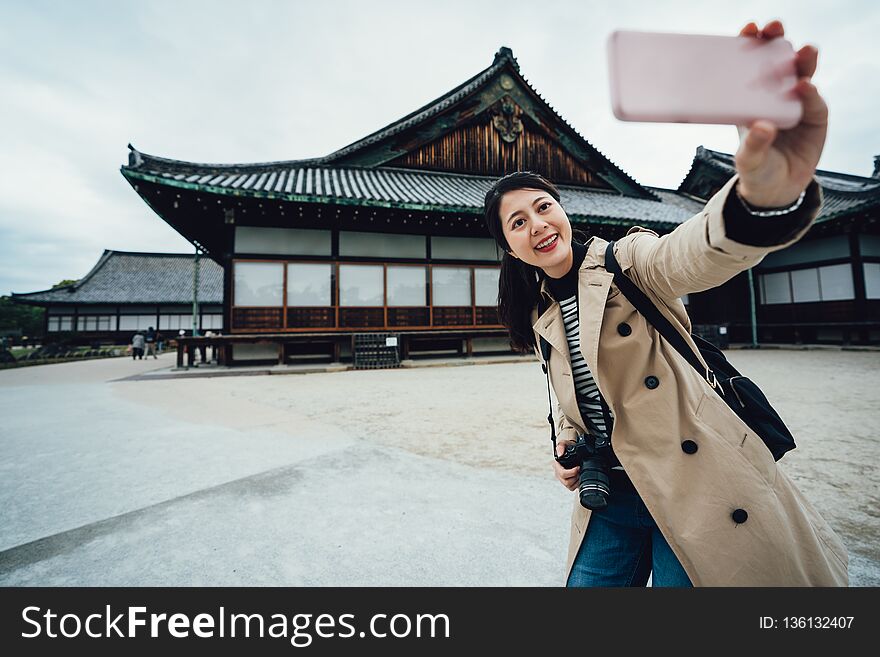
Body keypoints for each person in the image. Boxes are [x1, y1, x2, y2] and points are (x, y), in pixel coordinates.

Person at [482, 20, 847, 587]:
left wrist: (762, 200)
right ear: (507, 245)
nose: (538, 225)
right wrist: (566, 443)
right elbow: (572, 397)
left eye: (543, 206)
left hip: (691, 482)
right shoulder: (540, 315)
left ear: (564, 210)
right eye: (518, 222)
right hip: (615, 493)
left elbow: (693, 254)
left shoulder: (629, 260)